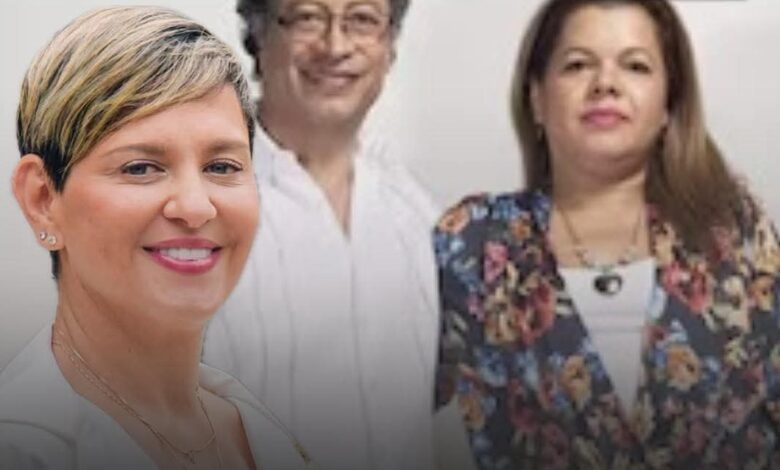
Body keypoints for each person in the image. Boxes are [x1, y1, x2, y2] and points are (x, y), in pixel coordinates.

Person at [434, 0, 780, 469]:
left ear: (668, 104)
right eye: (578, 65)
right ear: (536, 98)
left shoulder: (733, 233)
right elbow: (376, 400)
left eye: (635, 66)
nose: (605, 84)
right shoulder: (474, 243)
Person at [0, 7, 311, 469]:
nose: (196, 207)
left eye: (221, 166)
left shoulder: (264, 436)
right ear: (43, 199)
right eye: (141, 168)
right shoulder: (23, 448)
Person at [201, 0, 440, 469]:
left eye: (362, 20)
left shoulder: (419, 218)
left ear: (390, 46)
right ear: (258, 34)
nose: (335, 46)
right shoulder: (193, 213)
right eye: (308, 17)